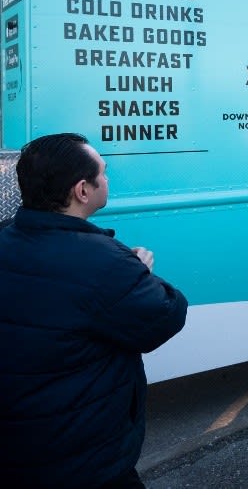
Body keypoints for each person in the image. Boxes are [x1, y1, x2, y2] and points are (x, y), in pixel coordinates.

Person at [0, 133, 188, 489]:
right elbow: (166, 315)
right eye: (103, 172)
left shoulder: (6, 238)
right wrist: (142, 272)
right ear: (82, 191)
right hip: (81, 459)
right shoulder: (105, 262)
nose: (108, 179)